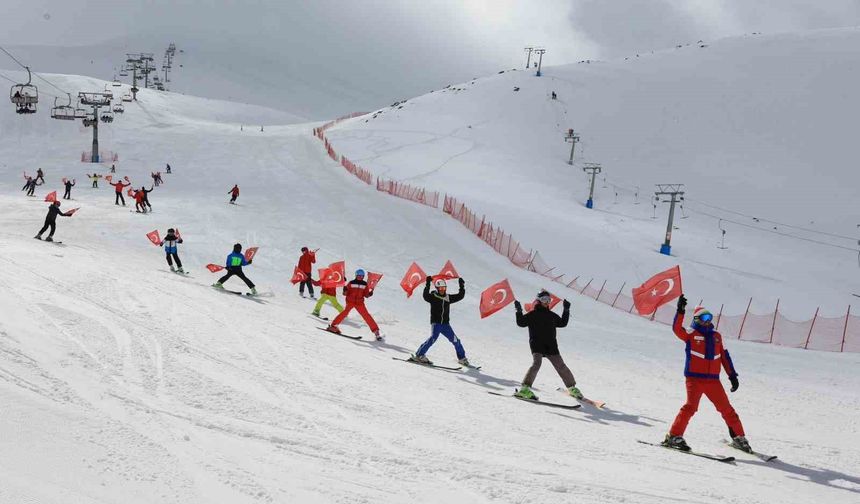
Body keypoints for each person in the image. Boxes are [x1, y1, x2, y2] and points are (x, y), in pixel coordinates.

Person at [663, 295, 751, 453]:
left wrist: (732, 376)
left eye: (709, 317)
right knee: (690, 407)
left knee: (727, 409)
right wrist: (680, 311)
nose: (707, 320)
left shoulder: (716, 336)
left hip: (713, 381)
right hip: (694, 379)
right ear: (697, 319)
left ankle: (739, 438)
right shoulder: (690, 333)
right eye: (704, 317)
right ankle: (674, 436)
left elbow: (723, 356)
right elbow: (677, 329)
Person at [513, 291, 581, 400]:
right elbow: (521, 323)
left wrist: (566, 310)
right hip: (537, 344)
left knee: (561, 366)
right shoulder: (533, 314)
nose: (547, 302)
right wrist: (519, 310)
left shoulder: (552, 315)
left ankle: (572, 388)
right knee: (536, 364)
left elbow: (563, 323)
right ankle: (525, 388)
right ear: (539, 300)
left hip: (551, 346)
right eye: (544, 299)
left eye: (549, 300)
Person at [410, 276, 470, 366]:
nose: (442, 290)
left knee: (456, 341)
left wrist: (461, 285)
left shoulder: (448, 298)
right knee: (433, 339)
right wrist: (428, 283)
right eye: (440, 288)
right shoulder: (433, 297)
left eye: (444, 288)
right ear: (437, 288)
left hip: (446, 325)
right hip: (436, 324)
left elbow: (460, 296)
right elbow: (425, 296)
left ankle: (462, 358)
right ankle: (419, 355)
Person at [326, 269, 381, 340]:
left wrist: (369, 294)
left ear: (363, 276)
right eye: (359, 275)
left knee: (366, 315)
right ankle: (333, 326)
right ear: (356, 275)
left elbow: (366, 295)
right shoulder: (351, 283)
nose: (360, 277)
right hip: (350, 301)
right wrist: (345, 290)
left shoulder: (365, 284)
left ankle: (376, 331)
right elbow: (345, 294)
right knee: (344, 313)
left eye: (362, 276)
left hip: (359, 303)